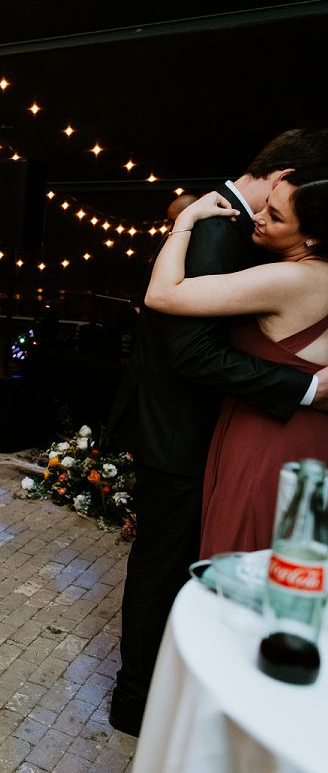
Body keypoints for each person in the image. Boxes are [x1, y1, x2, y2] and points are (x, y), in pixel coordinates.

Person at [105, 128, 328, 736]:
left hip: (227, 433)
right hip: (179, 432)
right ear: (284, 179)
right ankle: (136, 699)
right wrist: (306, 389)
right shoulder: (213, 227)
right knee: (161, 565)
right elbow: (193, 356)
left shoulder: (243, 231)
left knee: (196, 565)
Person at [144, 175, 328, 556]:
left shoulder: (291, 278)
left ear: (312, 237)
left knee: (247, 557)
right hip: (303, 434)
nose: (257, 217)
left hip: (270, 441)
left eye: (275, 217)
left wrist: (185, 220)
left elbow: (161, 294)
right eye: (265, 205)